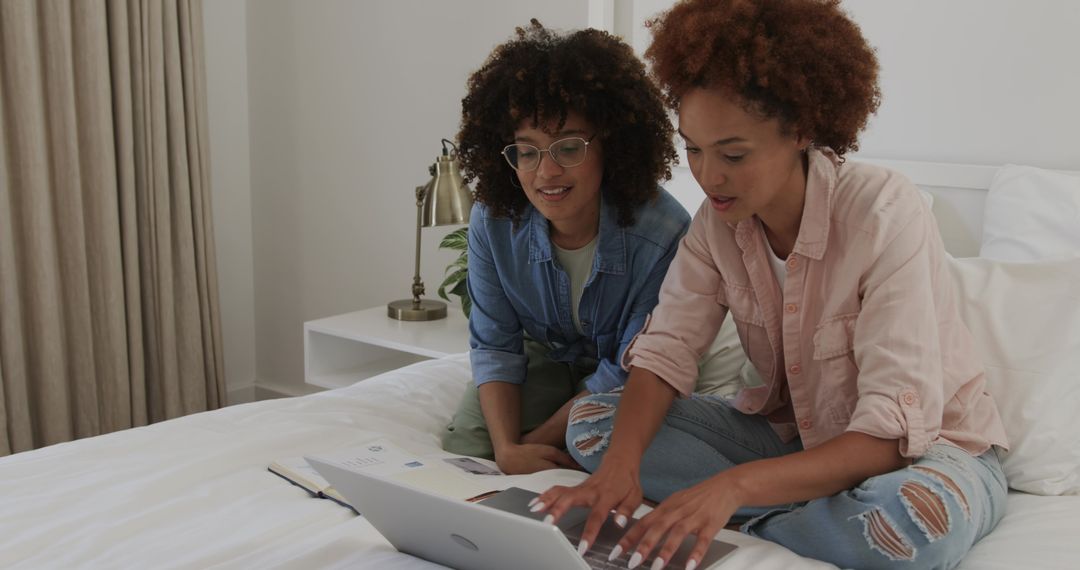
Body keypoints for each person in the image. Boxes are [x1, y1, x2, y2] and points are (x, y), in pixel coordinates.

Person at [532, 1, 1009, 569]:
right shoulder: (716, 223)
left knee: (913, 525)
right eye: (693, 149)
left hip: (930, 454)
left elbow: (886, 438)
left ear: (802, 129)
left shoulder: (884, 211)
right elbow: (665, 354)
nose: (708, 176)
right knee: (594, 427)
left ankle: (759, 516)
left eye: (732, 153)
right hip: (791, 444)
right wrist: (619, 471)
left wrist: (731, 490)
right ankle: (809, 512)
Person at [441, 20, 691, 476]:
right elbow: (495, 343)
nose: (546, 173)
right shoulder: (493, 221)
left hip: (626, 370)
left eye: (568, 148)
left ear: (610, 146)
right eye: (528, 151)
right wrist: (503, 449)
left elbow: (624, 368)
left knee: (593, 443)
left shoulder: (663, 232)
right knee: (466, 444)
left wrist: (530, 448)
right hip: (548, 352)